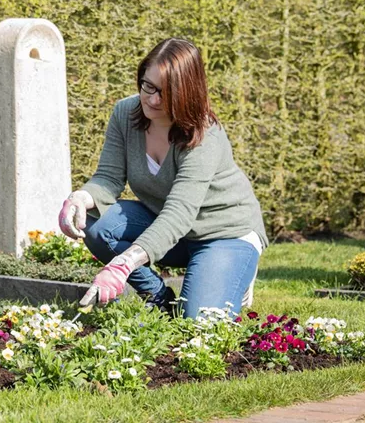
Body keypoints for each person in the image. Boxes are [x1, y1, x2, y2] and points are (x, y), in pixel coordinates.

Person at [58, 38, 268, 318]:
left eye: (166, 93)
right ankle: (158, 296)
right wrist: (79, 198)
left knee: (199, 321)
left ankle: (234, 271)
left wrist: (122, 265)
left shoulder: (204, 135)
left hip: (224, 233)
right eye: (148, 86)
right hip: (171, 231)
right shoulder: (125, 114)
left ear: (186, 93)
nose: (153, 99)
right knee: (96, 221)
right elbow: (108, 178)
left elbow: (179, 213)